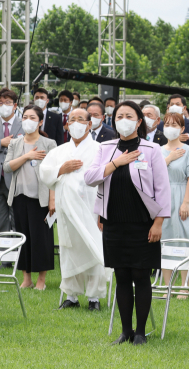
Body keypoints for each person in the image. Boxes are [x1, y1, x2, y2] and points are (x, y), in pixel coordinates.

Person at [84, 101, 171, 346]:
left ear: (139, 121)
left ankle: (141, 333)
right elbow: (90, 177)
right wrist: (115, 164)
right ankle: (125, 331)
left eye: (129, 115)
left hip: (143, 223)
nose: (123, 119)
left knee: (141, 276)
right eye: (119, 115)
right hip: (113, 223)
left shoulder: (152, 149)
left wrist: (158, 223)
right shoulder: (106, 147)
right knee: (121, 276)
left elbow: (162, 190)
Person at [40, 108, 107, 310]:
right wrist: (62, 169)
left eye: (81, 119)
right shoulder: (59, 151)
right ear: (66, 125)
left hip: (91, 208)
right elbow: (45, 172)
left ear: (89, 124)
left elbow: (105, 178)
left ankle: (94, 298)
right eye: (72, 120)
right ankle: (72, 296)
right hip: (66, 209)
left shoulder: (99, 149)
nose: (76, 123)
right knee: (69, 250)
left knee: (93, 246)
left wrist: (103, 212)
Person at [4, 105, 57, 290]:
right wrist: (27, 156)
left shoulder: (49, 144)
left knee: (41, 238)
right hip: (19, 197)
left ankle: (41, 280)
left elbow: (54, 174)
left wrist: (52, 199)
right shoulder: (15, 143)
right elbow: (7, 166)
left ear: (40, 121)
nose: (28, 120)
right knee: (24, 237)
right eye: (25, 116)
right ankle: (26, 278)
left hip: (41, 199)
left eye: (32, 117)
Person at [160, 112, 189, 296]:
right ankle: (167, 285)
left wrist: (185, 203)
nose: (170, 127)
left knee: (185, 238)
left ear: (182, 128)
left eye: (175, 124)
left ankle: (184, 286)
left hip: (182, 195)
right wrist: (169, 158)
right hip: (162, 198)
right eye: (167, 124)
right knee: (165, 238)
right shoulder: (157, 150)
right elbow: (152, 174)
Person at [0, 88, 24, 234]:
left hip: (17, 177)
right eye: (1, 103)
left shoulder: (24, 124)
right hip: (0, 179)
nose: (4, 106)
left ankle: (19, 251)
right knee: (1, 218)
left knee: (17, 217)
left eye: (7, 103)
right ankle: (3, 250)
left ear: (15, 105)